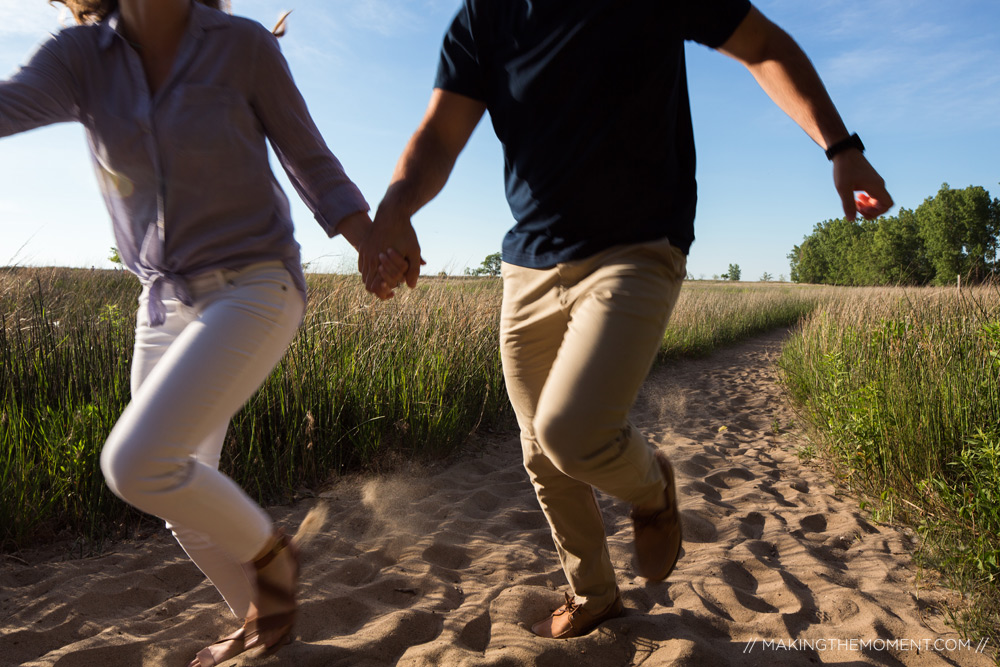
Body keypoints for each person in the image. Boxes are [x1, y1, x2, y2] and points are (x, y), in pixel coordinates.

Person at [360, 0, 893, 640]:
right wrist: (396, 205)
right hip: (528, 263)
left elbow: (765, 46)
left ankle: (650, 485)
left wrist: (840, 147)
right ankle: (595, 594)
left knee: (571, 429)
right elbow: (440, 134)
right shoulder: (483, 17)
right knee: (540, 453)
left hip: (637, 246)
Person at [1, 1, 372, 664]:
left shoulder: (242, 46)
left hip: (257, 284)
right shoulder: (81, 57)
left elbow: (308, 158)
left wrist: (369, 240)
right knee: (178, 495)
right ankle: (266, 627)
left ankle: (272, 556)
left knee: (136, 462)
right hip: (164, 302)